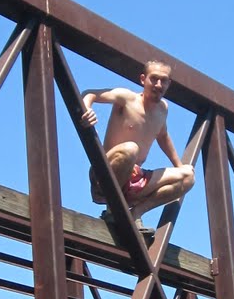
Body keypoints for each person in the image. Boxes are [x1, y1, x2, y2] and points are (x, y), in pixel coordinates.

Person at [81, 59, 195, 231]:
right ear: (143, 79)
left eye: (163, 80)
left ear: (169, 84)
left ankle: (135, 214)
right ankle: (113, 209)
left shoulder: (162, 109)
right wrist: (86, 109)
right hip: (106, 174)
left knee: (188, 176)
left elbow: (163, 136)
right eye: (154, 79)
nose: (158, 84)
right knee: (131, 149)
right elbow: (90, 94)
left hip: (135, 180)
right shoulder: (126, 98)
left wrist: (179, 166)